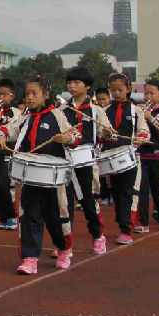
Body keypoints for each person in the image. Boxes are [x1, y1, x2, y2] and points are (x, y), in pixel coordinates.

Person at [0, 76, 78, 274]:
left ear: (46, 95)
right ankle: (30, 258)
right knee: (29, 216)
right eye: (27, 94)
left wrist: (67, 137)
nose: (30, 98)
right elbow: (8, 128)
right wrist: (1, 135)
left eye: (35, 94)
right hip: (29, 177)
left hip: (53, 180)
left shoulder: (57, 115)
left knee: (56, 217)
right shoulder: (25, 118)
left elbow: (75, 137)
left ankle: (64, 249)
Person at [62, 68, 108, 253]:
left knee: (88, 201)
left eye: (77, 83)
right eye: (69, 83)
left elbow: (106, 132)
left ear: (87, 86)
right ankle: (65, 242)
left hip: (86, 161)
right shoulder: (63, 109)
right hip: (65, 160)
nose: (72, 86)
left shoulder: (96, 111)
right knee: (64, 204)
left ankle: (98, 236)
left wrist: (108, 133)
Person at [102, 73, 150, 245]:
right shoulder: (105, 111)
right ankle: (122, 222)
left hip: (131, 157)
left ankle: (126, 229)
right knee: (116, 193)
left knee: (127, 193)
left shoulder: (136, 111)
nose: (116, 93)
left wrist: (141, 138)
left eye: (120, 90)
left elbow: (143, 130)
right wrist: (104, 134)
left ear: (129, 89)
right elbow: (100, 134)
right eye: (113, 90)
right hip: (111, 158)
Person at [135, 79, 159, 233]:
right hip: (143, 155)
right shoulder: (139, 110)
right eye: (146, 93)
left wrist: (149, 117)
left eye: (152, 93)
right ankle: (142, 223)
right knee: (142, 190)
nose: (148, 96)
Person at [0, 78, 23, 232]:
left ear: (12, 96)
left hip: (7, 155)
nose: (0, 98)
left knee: (6, 187)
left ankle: (12, 216)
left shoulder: (16, 112)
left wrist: (0, 118)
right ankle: (2, 217)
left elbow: (13, 126)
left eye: (4, 94)